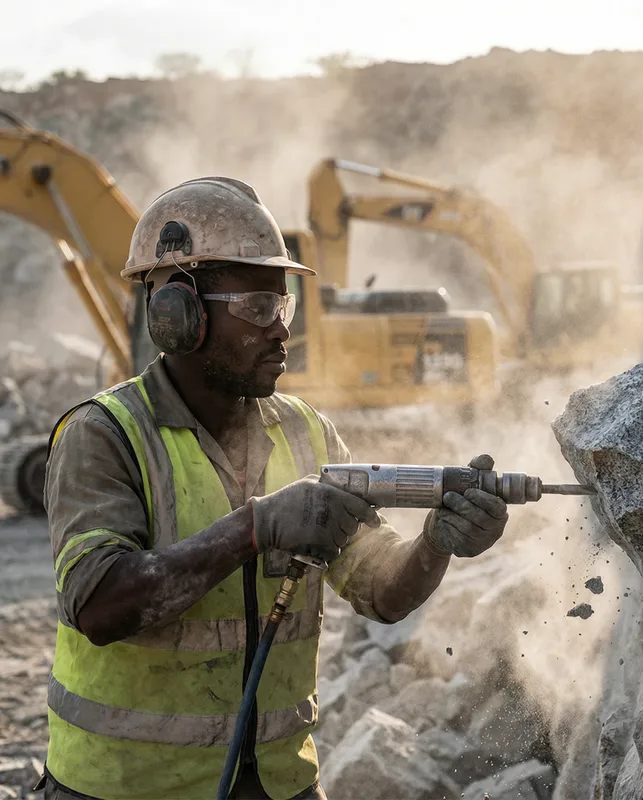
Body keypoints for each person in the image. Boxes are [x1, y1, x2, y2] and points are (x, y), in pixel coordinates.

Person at [40, 177, 508, 800]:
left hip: (278, 786)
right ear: (178, 315)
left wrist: (435, 543)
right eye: (258, 309)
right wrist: (255, 528)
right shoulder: (104, 436)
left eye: (283, 308)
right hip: (124, 788)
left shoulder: (307, 432)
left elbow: (381, 591)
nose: (282, 331)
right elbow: (98, 606)